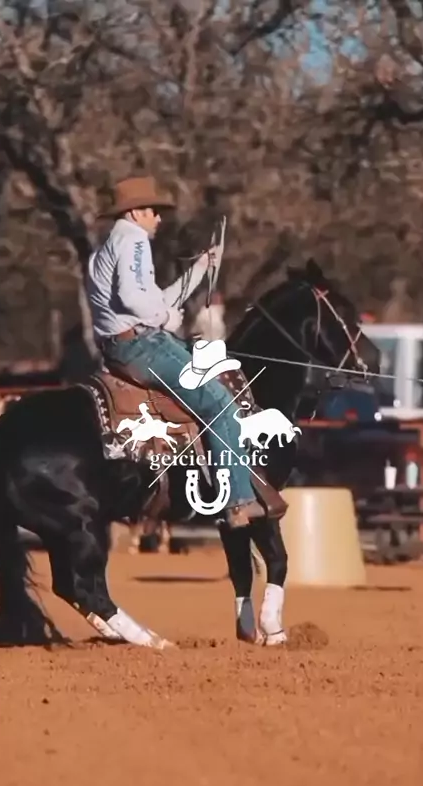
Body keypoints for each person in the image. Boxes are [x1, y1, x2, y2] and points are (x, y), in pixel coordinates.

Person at [86, 175, 269, 527]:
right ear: (136, 213)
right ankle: (238, 501)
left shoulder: (107, 248)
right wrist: (166, 319)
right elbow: (137, 301)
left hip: (121, 345)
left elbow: (159, 300)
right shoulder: (134, 240)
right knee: (220, 403)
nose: (158, 218)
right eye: (152, 211)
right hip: (143, 345)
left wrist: (199, 269)